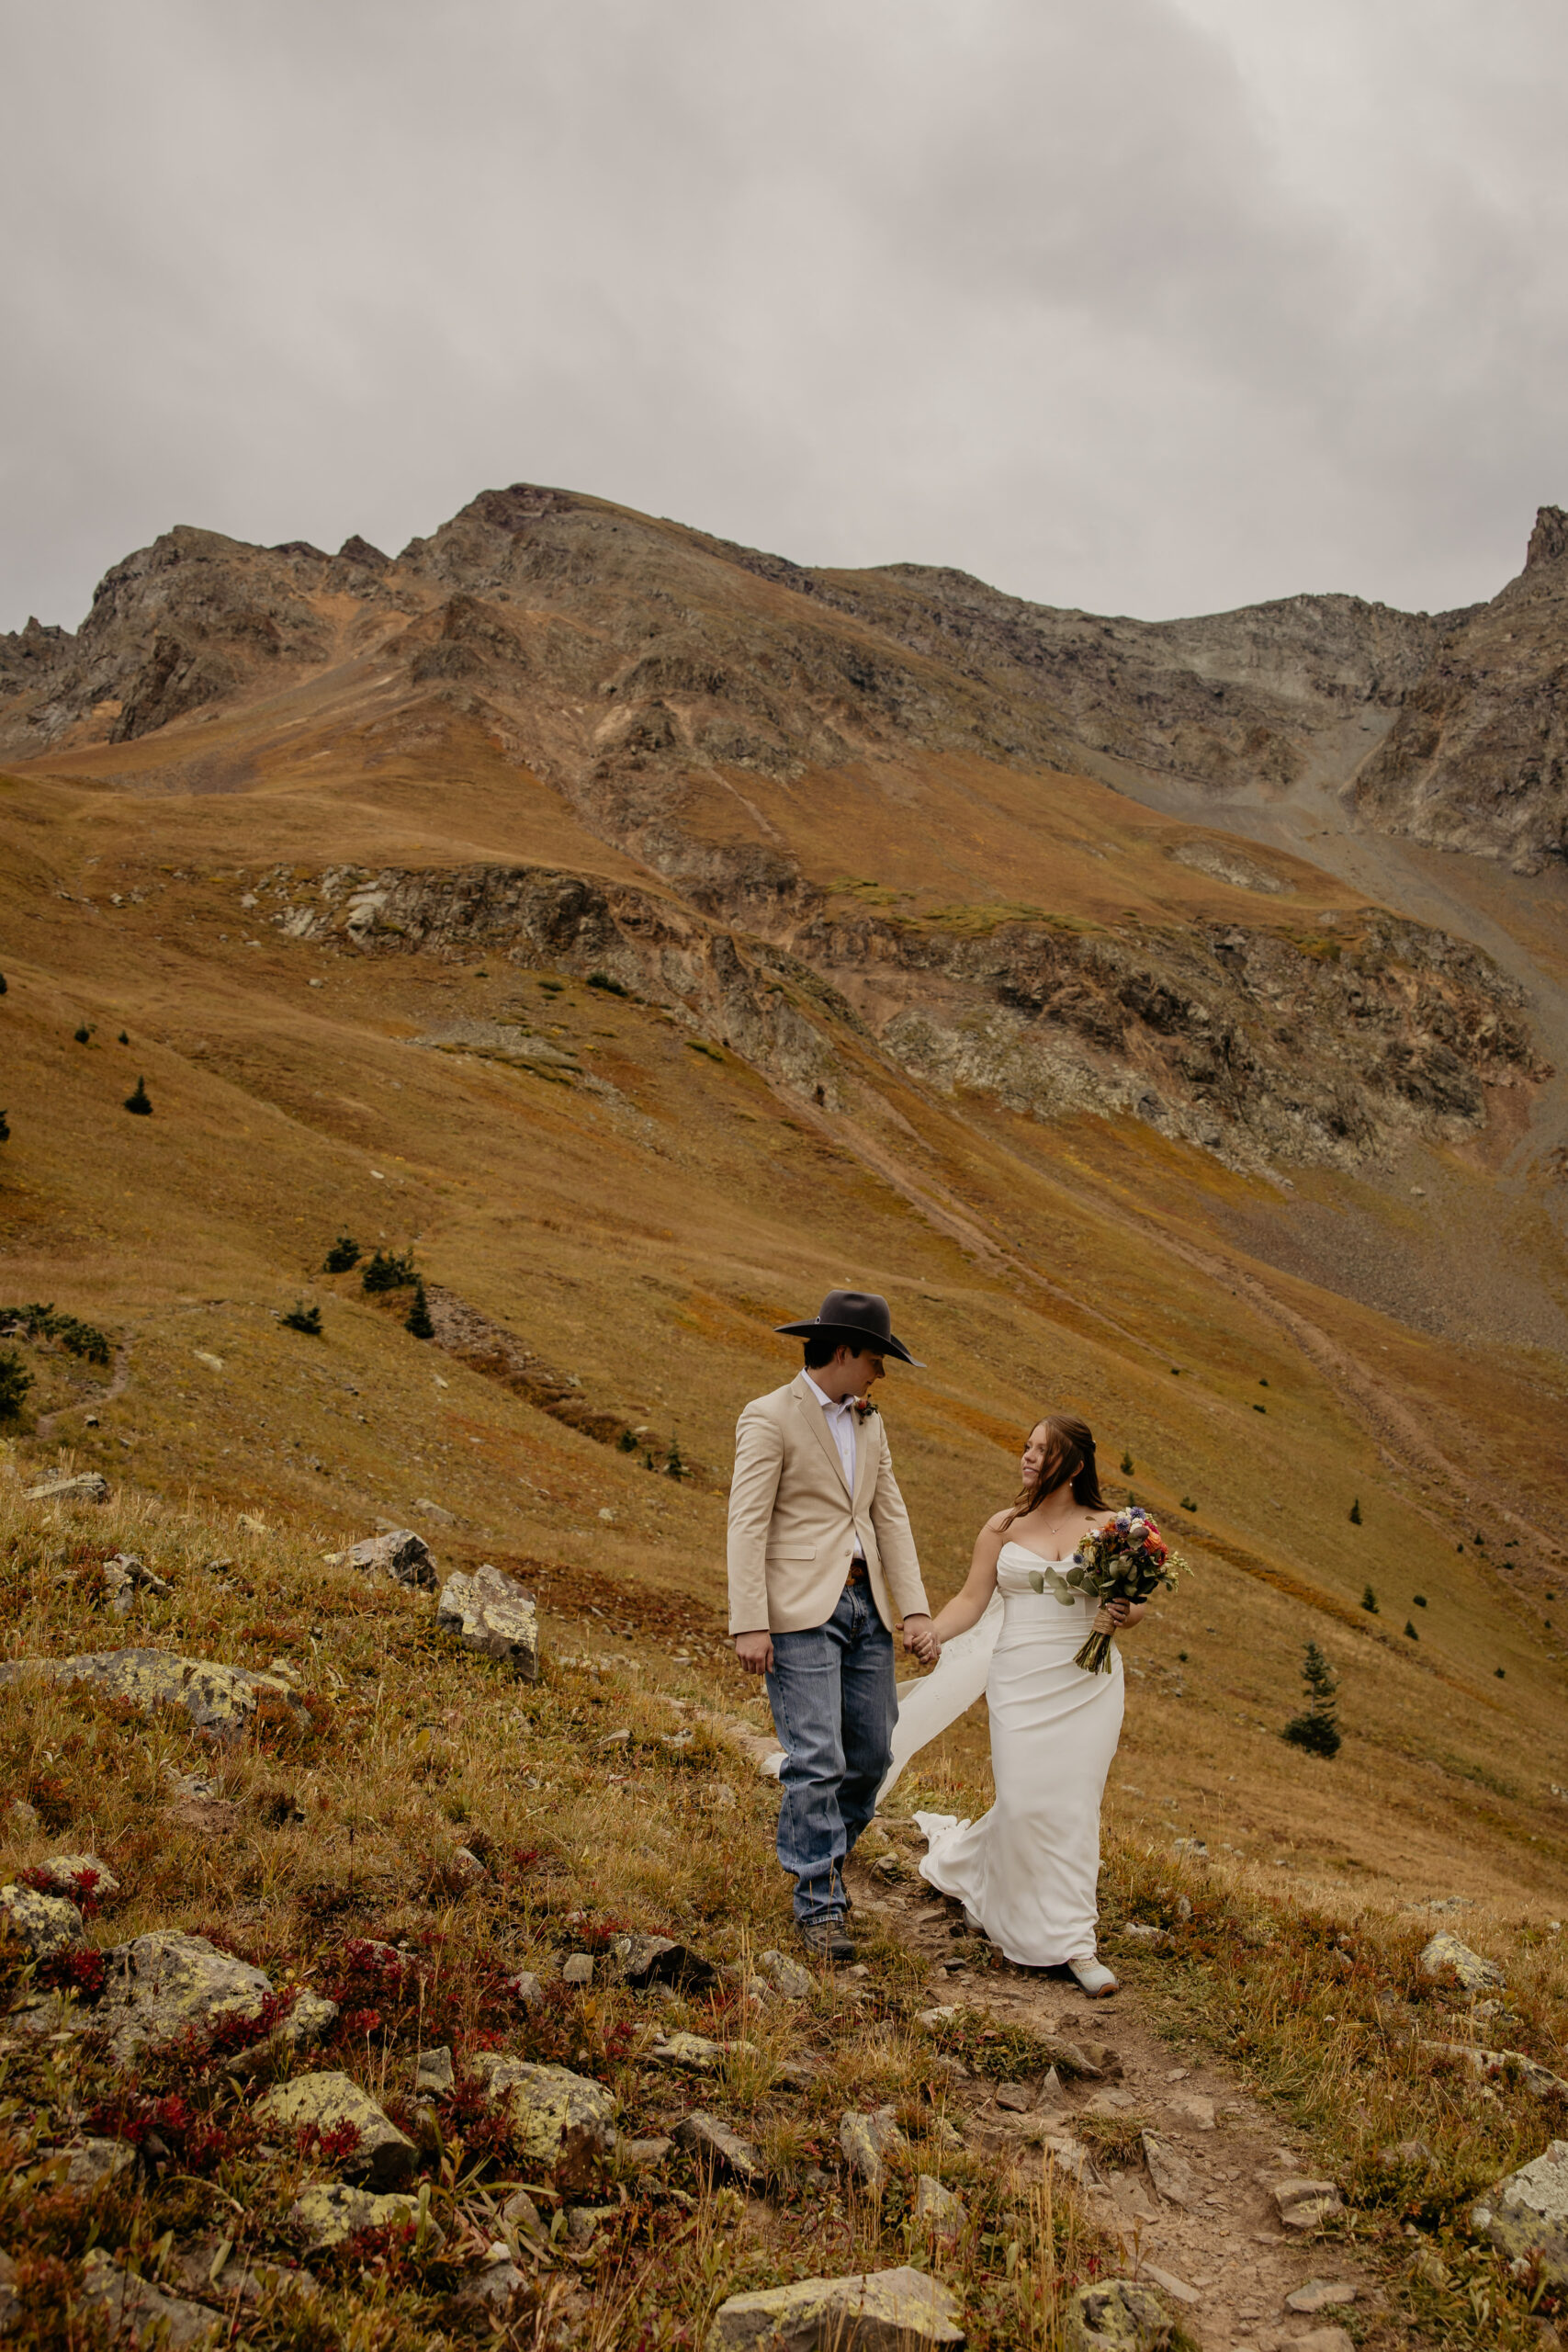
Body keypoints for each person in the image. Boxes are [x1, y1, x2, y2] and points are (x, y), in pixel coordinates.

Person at [728, 1288, 940, 1960]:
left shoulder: (871, 1422)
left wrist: (912, 1609)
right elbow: (747, 1522)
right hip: (797, 1613)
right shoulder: (768, 1417)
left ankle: (823, 1857)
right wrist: (748, 1621)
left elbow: (888, 1515)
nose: (881, 1372)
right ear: (845, 1352)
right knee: (816, 1758)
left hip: (866, 1607)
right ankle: (817, 1901)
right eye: (877, 1358)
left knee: (873, 1753)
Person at [906, 1412, 1143, 1996]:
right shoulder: (1003, 1526)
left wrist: (1123, 1614)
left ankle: (1075, 1943)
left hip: (1087, 1680)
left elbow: (1135, 1604)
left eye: (1044, 1450)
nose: (1029, 1457)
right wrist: (934, 1632)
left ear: (1076, 1465)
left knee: (1072, 1805)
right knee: (1021, 1800)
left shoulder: (1116, 1527)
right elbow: (970, 1598)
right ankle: (983, 1882)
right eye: (1028, 1447)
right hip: (1019, 1678)